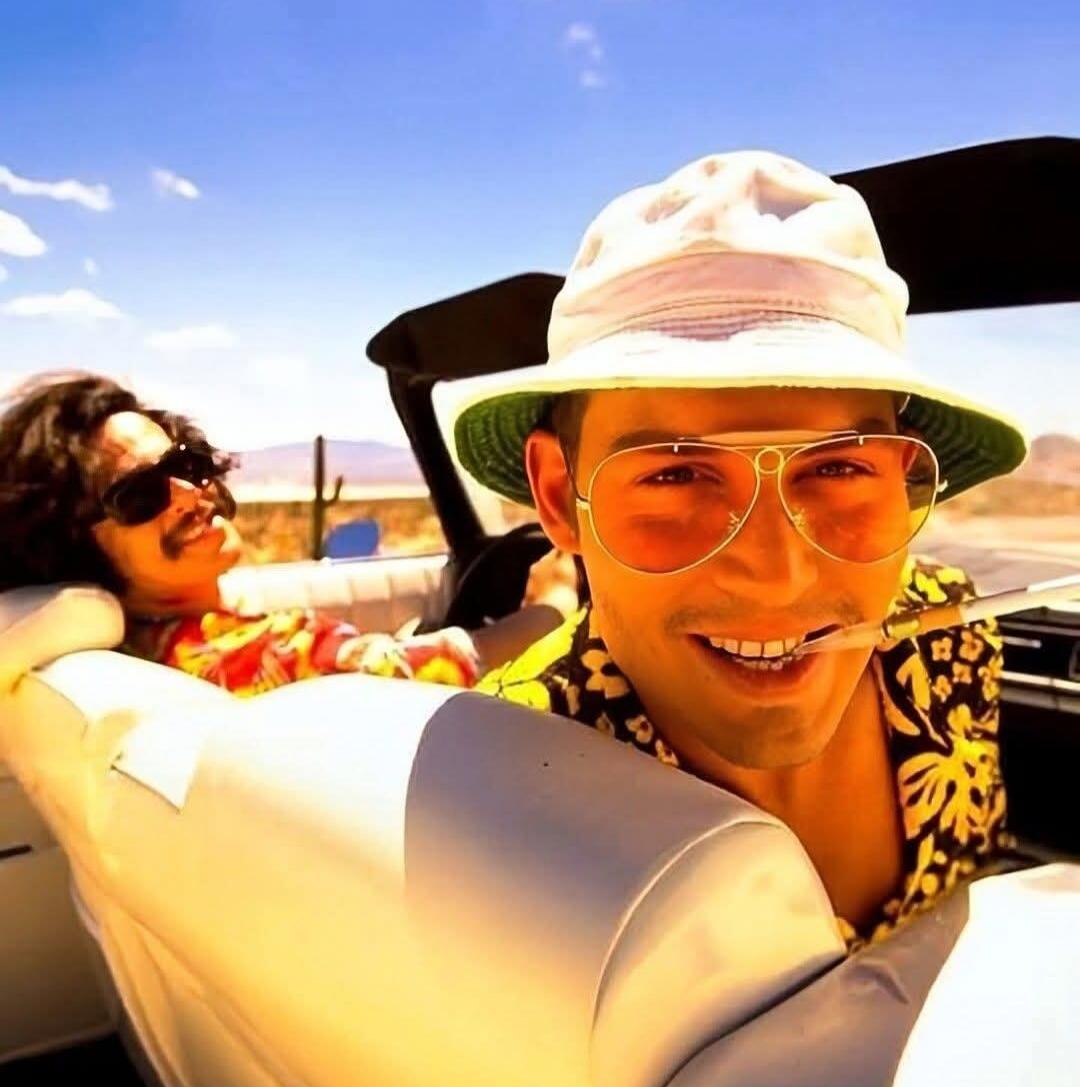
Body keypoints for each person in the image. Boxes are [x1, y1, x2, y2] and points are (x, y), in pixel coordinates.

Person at [455, 149, 1026, 948]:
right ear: (559, 497)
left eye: (836, 465)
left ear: (901, 477)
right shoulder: (500, 793)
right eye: (678, 474)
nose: (777, 570)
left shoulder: (949, 633)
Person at [0, 374, 570, 695]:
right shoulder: (251, 657)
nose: (188, 493)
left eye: (189, 464)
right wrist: (557, 600)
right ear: (72, 542)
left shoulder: (145, 653)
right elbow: (439, 668)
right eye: (141, 494)